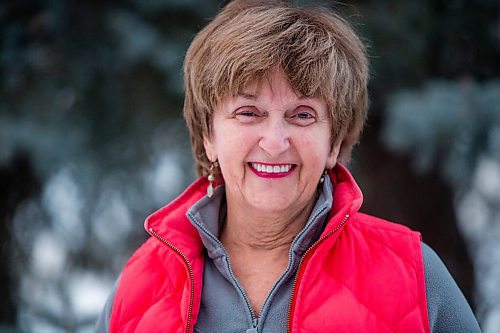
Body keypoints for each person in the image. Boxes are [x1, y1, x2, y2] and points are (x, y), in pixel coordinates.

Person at [96, 1, 481, 332]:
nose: (275, 142)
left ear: (334, 141)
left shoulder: (412, 273)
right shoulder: (140, 286)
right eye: (248, 112)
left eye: (302, 115)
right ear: (208, 135)